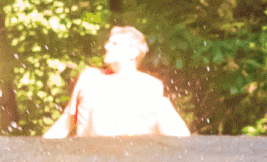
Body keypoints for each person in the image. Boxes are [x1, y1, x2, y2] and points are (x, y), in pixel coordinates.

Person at [42, 26, 188, 139]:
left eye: (115, 44)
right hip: (89, 161)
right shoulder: (90, 77)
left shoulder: (151, 86)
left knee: (163, 105)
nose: (106, 46)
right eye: (108, 42)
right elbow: (66, 122)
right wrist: (36, 154)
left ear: (133, 53)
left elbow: (168, 132)